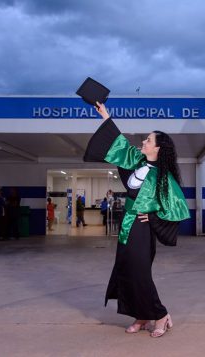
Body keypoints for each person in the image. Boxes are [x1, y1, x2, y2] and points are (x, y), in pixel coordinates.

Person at [84, 102, 190, 338]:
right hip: (127, 226)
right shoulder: (136, 162)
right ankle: (141, 315)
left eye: (148, 141)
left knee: (140, 273)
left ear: (158, 149)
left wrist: (152, 215)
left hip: (142, 230)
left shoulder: (163, 178)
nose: (143, 142)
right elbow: (118, 144)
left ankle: (160, 315)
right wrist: (105, 115)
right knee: (127, 270)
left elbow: (178, 208)